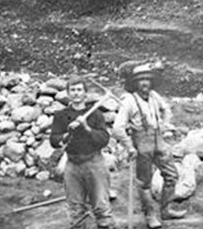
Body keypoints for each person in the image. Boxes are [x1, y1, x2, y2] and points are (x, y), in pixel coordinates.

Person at [111, 63, 186, 229]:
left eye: (147, 79)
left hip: (159, 141)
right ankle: (150, 215)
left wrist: (165, 124)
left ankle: (165, 210)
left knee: (171, 175)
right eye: (141, 80)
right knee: (144, 183)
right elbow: (117, 128)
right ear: (134, 83)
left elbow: (166, 109)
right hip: (142, 144)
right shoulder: (129, 100)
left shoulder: (153, 96)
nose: (145, 83)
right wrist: (129, 146)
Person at [50, 77, 121, 229]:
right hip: (72, 164)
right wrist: (66, 134)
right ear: (68, 94)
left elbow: (104, 140)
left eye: (79, 90)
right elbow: (53, 140)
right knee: (75, 208)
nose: (76, 93)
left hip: (94, 163)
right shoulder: (61, 115)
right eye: (73, 90)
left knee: (101, 206)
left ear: (85, 94)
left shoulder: (95, 115)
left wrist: (87, 127)